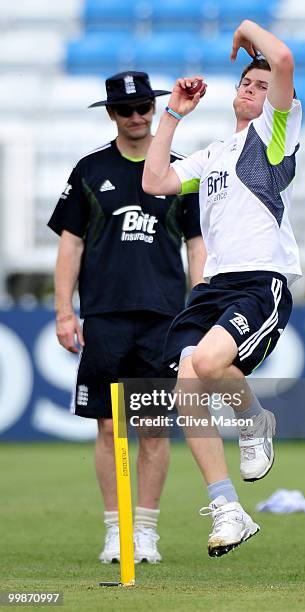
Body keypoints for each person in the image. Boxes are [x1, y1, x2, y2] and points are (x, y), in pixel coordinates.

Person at [143, 20, 302, 557]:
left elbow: (281, 60)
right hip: (213, 286)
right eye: (245, 84)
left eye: (260, 87)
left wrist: (244, 31)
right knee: (186, 378)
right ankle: (228, 508)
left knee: (208, 365)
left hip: (260, 279)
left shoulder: (274, 138)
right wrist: (172, 115)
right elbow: (156, 181)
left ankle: (255, 420)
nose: (249, 90)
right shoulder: (214, 152)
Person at [48, 71, 206, 564]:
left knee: (154, 429)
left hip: (163, 319)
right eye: (127, 110)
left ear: (155, 109)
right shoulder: (90, 170)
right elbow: (70, 244)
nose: (137, 117)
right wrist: (63, 311)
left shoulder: (182, 172)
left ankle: (147, 533)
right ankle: (117, 531)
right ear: (112, 114)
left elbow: (197, 243)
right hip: (105, 317)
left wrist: (199, 303)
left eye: (144, 108)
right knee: (107, 426)